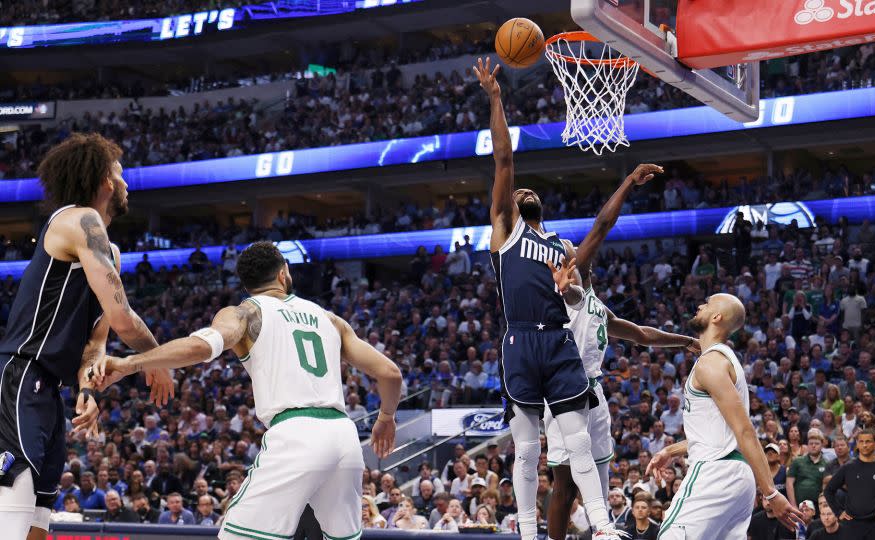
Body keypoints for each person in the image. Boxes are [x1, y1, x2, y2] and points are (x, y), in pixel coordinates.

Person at [97, 241, 403, 540]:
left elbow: (200, 346)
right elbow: (390, 373)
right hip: (344, 435)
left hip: (296, 434)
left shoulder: (246, 313)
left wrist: (130, 363)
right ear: (284, 273)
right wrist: (386, 417)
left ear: (246, 285)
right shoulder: (331, 320)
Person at [0, 133, 174, 540]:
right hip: (21, 376)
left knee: (39, 522)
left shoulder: (109, 252)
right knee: (12, 513)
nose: (126, 182)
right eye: (120, 172)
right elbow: (123, 316)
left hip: (50, 389)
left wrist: (89, 388)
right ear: (105, 181)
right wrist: (160, 359)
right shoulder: (78, 219)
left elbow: (97, 341)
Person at [474, 56, 619, 540]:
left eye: (528, 191)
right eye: (518, 191)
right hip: (520, 340)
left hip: (558, 342)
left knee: (577, 439)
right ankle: (529, 532)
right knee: (527, 448)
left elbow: (581, 291)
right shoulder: (504, 229)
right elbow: (504, 160)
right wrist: (496, 98)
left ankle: (601, 525)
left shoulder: (562, 245)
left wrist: (572, 287)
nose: (523, 189)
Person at [544, 163, 699, 540]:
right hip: (565, 392)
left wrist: (684, 341)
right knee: (564, 485)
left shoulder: (596, 304)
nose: (573, 251)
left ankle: (602, 531)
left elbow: (642, 334)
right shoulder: (566, 294)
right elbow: (601, 226)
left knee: (599, 470)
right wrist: (629, 182)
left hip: (593, 393)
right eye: (568, 251)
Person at [646, 294, 803, 539]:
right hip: (738, 477)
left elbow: (744, 430)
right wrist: (670, 451)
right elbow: (723, 433)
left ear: (716, 317)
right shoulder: (726, 360)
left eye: (706, 303)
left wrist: (771, 492)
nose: (699, 305)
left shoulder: (710, 364)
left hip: (715, 473)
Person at [788, 429, 829, 512]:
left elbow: (826, 486)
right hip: (799, 506)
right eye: (811, 443)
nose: (813, 446)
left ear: (822, 445)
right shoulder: (797, 461)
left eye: (817, 443)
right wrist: (793, 506)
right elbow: (789, 484)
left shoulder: (827, 463)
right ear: (807, 445)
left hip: (818, 507)